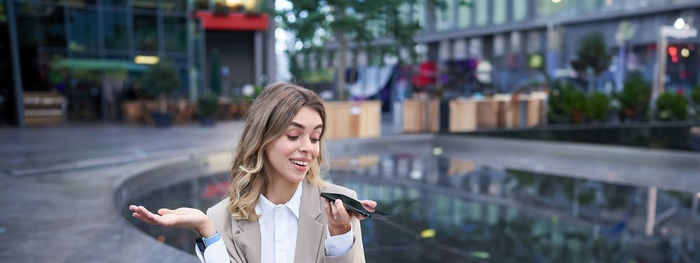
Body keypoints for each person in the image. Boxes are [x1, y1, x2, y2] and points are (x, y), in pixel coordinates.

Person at [130, 82, 377, 263]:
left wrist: (340, 235)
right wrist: (206, 230)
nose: (308, 148)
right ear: (263, 139)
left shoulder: (339, 206)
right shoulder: (220, 218)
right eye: (294, 135)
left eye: (314, 137)